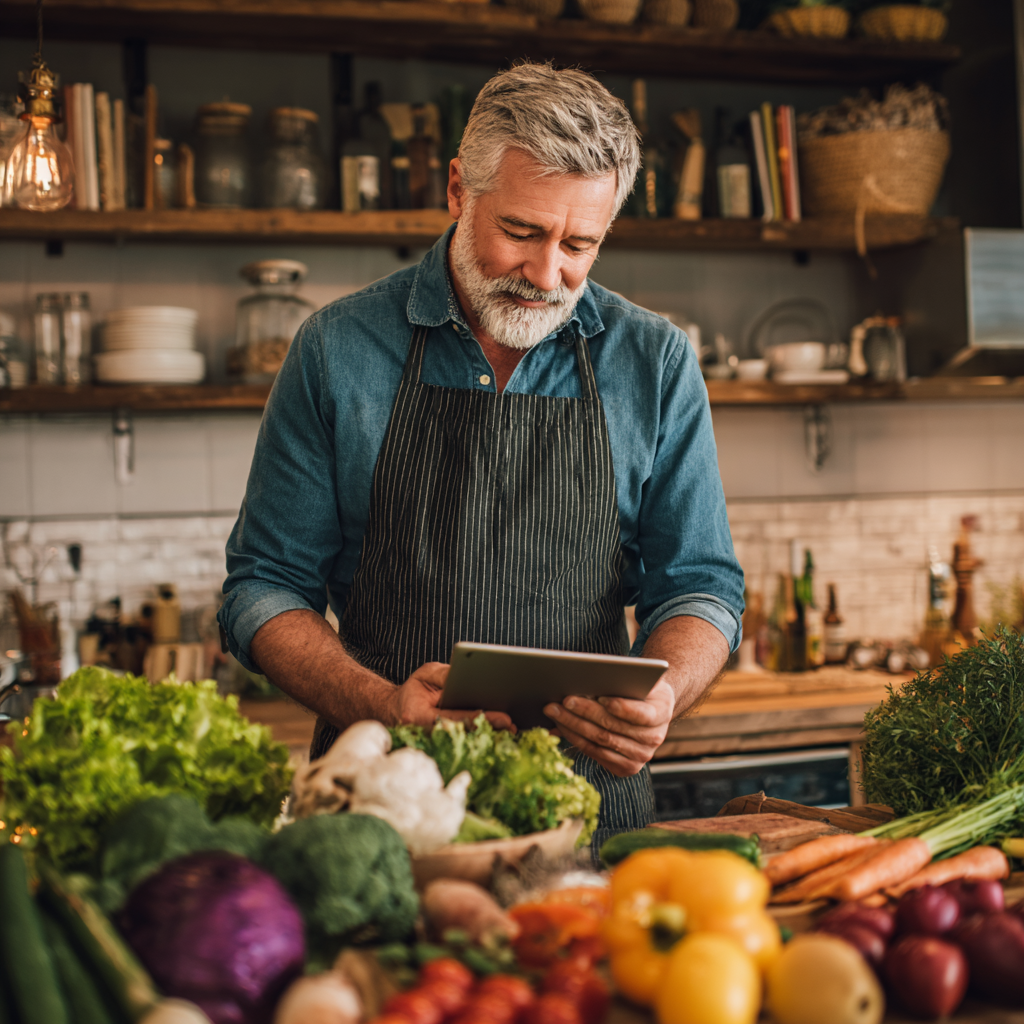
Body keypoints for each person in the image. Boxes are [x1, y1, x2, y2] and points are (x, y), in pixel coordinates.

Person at [218, 63, 744, 844]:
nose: (547, 274)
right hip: (381, 810)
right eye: (523, 233)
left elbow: (702, 584)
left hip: (587, 821)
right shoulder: (337, 350)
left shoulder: (655, 361)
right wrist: (378, 702)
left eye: (580, 245)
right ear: (460, 190)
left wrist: (664, 693)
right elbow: (261, 590)